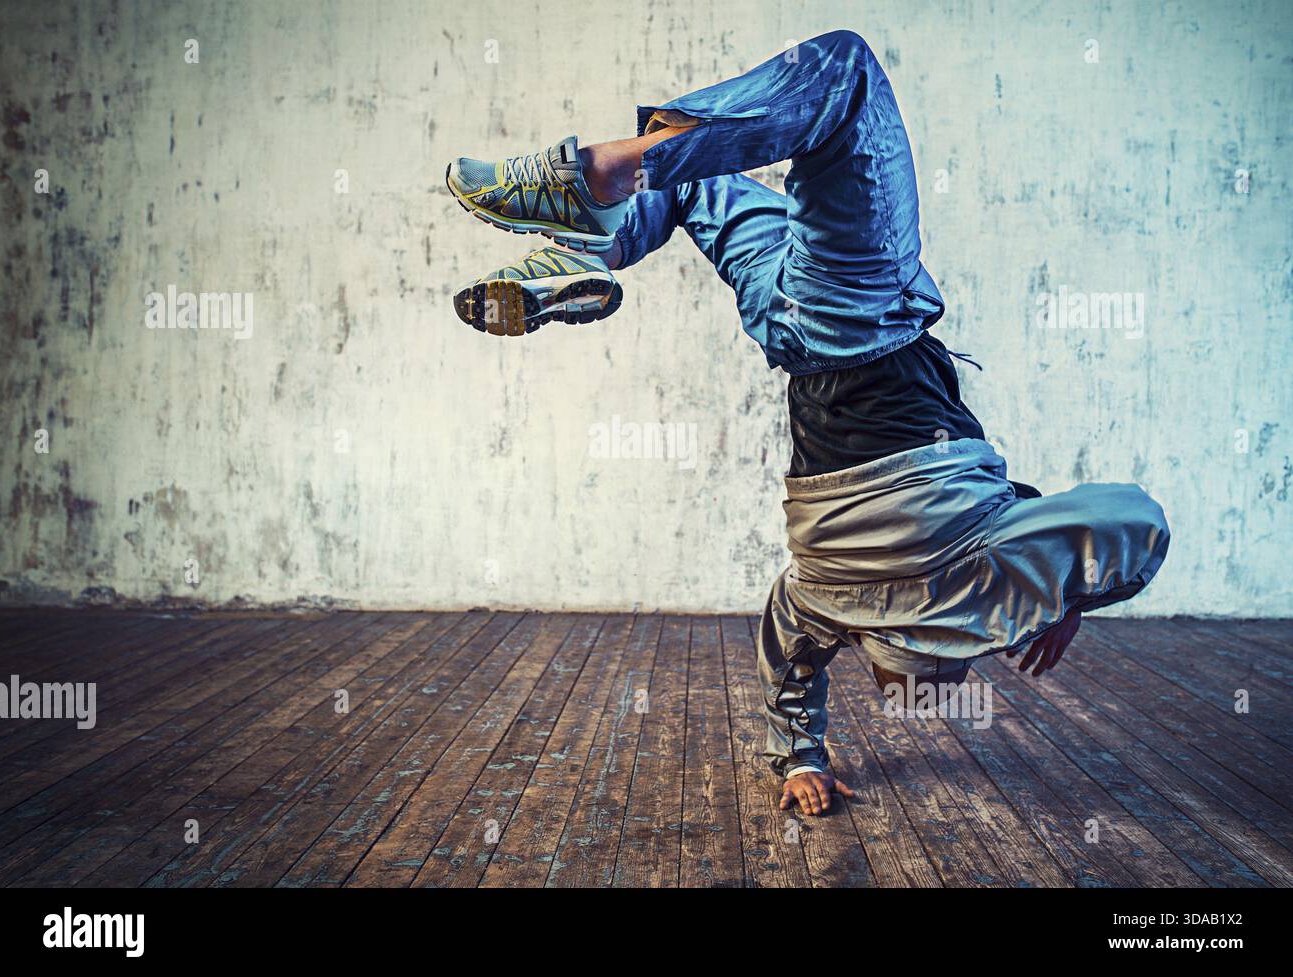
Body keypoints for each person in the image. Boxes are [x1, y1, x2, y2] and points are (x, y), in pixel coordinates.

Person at [445, 30, 1170, 817]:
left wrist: (1066, 598)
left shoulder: (982, 575)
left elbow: (1136, 520)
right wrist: (799, 760)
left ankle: (584, 178)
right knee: (698, 184)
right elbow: (788, 671)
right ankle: (578, 254)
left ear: (957, 636)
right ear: (881, 648)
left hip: (856, 315)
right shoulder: (823, 599)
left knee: (846, 74)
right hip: (792, 336)